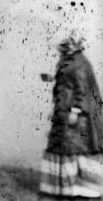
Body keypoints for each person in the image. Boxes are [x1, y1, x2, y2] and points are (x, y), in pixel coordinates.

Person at [40, 34, 103, 198]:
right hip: (65, 112)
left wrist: (75, 111)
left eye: (64, 47)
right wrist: (52, 78)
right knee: (66, 148)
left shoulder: (79, 64)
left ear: (72, 47)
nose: (61, 50)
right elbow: (69, 82)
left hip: (76, 117)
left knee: (73, 149)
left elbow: (82, 90)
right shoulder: (71, 61)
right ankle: (66, 189)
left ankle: (80, 190)